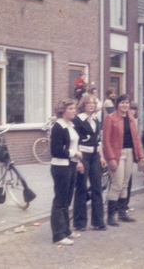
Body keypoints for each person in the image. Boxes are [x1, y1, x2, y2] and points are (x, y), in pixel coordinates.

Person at [103, 94, 144, 226]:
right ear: (117, 104)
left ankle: (122, 213)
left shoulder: (131, 119)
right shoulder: (110, 118)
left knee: (125, 184)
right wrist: (110, 158)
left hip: (129, 153)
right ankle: (111, 216)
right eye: (122, 102)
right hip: (117, 153)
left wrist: (141, 156)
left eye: (127, 103)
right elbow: (106, 140)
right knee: (117, 184)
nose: (125, 105)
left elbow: (136, 140)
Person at [50, 99, 84, 245]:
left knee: (67, 200)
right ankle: (58, 235)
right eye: (70, 109)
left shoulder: (71, 125)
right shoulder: (58, 127)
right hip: (60, 167)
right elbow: (55, 151)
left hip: (70, 166)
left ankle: (66, 231)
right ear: (62, 111)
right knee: (60, 200)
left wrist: (76, 159)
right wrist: (74, 152)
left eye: (74, 108)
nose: (73, 111)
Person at [73, 95, 107, 231]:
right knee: (81, 187)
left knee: (97, 187)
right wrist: (77, 161)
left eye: (93, 103)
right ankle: (79, 223)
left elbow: (98, 140)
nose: (91, 105)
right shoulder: (77, 120)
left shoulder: (96, 119)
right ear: (83, 105)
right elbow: (73, 141)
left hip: (95, 156)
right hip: (83, 155)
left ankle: (98, 221)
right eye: (88, 103)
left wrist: (102, 157)